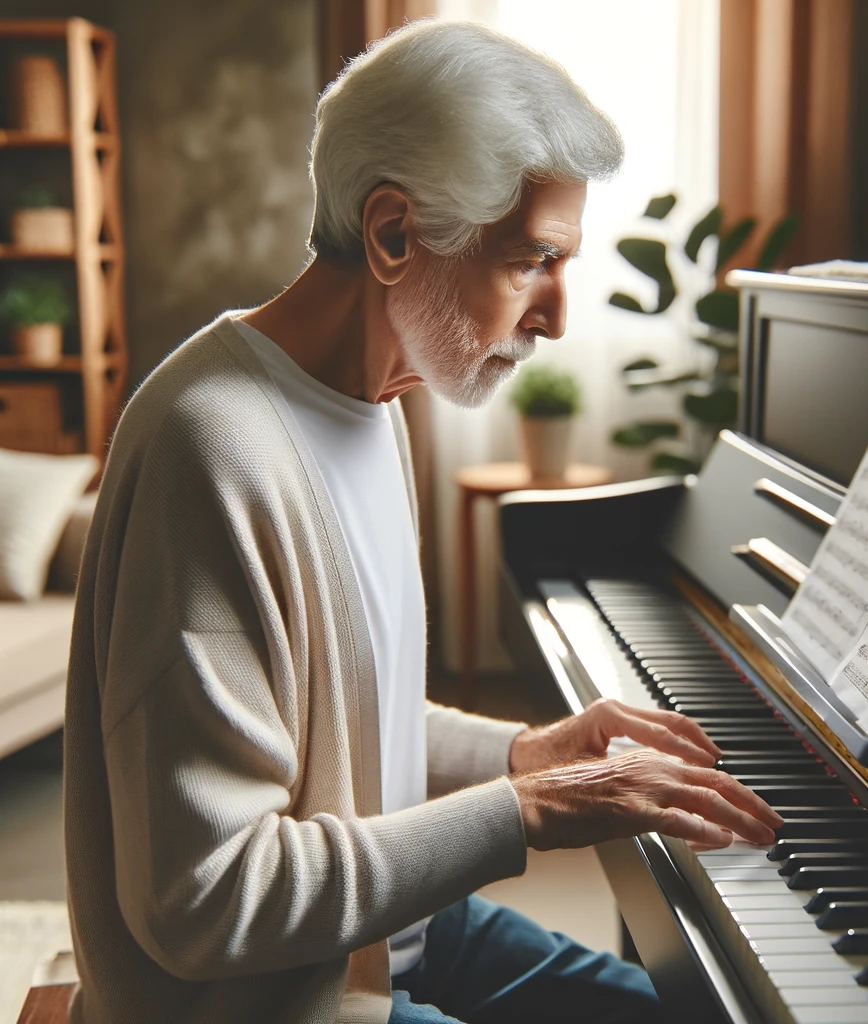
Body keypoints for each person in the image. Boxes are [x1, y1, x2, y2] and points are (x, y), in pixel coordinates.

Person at [63, 19, 782, 1024]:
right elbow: (206, 903)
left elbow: (341, 726)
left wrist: (525, 754)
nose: (555, 316)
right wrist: (529, 811)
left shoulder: (373, 397)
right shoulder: (210, 449)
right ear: (394, 233)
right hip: (270, 1000)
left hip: (387, 938)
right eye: (531, 261)